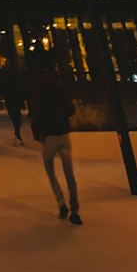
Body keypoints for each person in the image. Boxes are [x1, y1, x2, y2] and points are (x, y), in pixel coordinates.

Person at [29, 65, 81, 225]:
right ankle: (75, 209)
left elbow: (35, 113)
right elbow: (71, 109)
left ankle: (61, 202)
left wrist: (37, 133)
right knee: (69, 174)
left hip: (48, 136)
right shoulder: (60, 89)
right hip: (63, 134)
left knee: (50, 171)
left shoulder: (38, 91)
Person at [3, 69, 25, 145]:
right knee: (17, 119)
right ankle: (17, 133)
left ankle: (17, 133)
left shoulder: (7, 84)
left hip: (11, 103)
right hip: (14, 103)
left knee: (15, 119)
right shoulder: (16, 84)